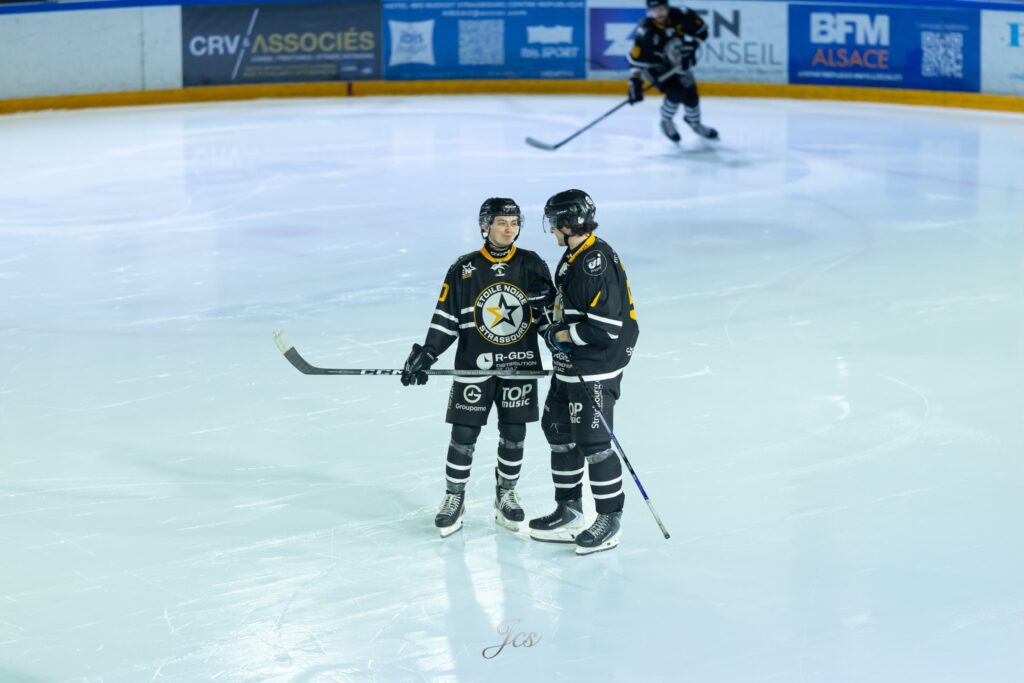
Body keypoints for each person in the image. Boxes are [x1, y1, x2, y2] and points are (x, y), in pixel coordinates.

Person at [401, 198, 555, 538]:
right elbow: (446, 317)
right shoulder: (464, 268)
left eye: (514, 222)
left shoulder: (532, 264)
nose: (509, 228)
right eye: (502, 222)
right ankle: (454, 497)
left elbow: (547, 317)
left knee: (514, 434)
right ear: (485, 225)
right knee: (463, 434)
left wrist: (560, 347)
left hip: (520, 365)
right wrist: (427, 353)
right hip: (475, 366)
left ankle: (506, 495)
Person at [528, 189, 639, 556]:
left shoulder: (596, 261)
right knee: (558, 429)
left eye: (552, 222)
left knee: (593, 443)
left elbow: (605, 329)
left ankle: (610, 519)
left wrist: (558, 334)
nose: (550, 230)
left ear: (566, 222)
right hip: (571, 364)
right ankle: (570, 510)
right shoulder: (574, 254)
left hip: (595, 367)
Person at [626, 0, 719, 143]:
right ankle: (666, 121)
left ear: (668, 7)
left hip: (677, 61)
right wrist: (634, 83)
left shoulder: (682, 15)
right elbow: (635, 62)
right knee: (676, 92)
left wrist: (692, 47)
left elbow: (702, 32)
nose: (659, 13)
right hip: (654, 66)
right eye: (654, 10)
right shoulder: (645, 31)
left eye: (662, 8)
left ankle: (695, 123)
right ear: (649, 11)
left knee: (691, 96)